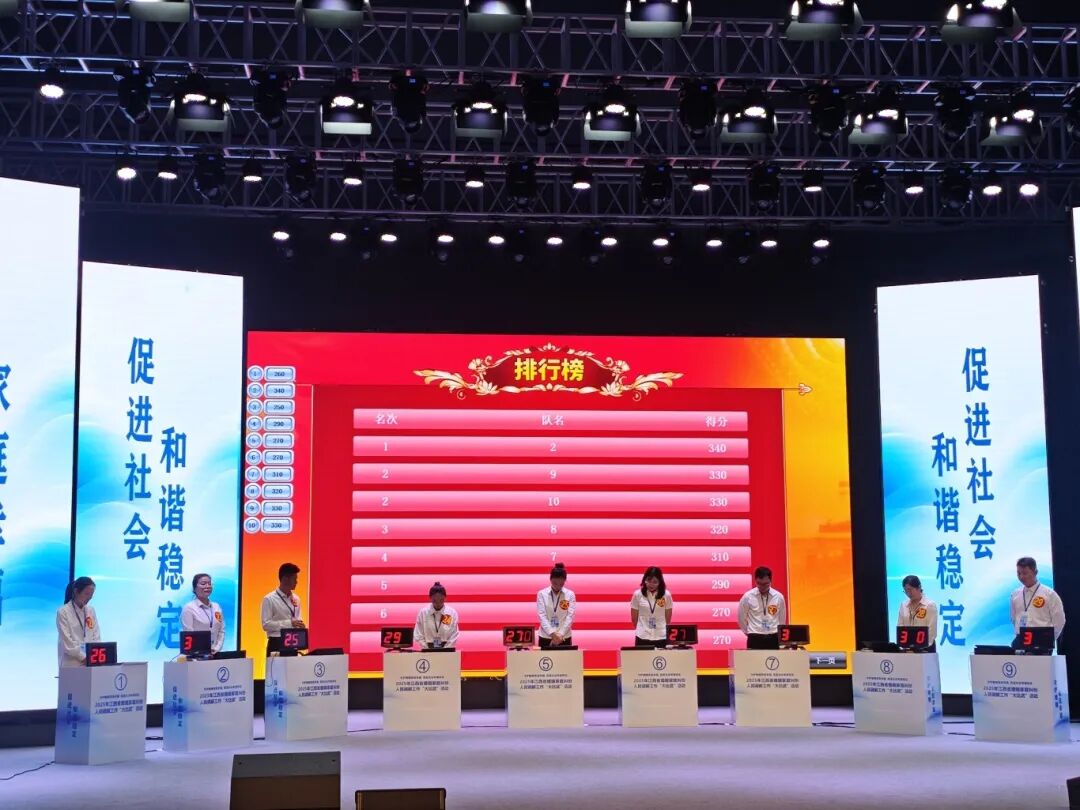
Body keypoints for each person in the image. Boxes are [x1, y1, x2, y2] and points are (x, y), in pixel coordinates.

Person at [1011, 556, 1065, 648]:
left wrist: (1048, 640)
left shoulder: (1049, 594)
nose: (1021, 577)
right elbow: (1014, 618)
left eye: (1025, 573)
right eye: (1019, 573)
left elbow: (1059, 620)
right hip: (1020, 641)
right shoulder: (1015, 594)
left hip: (1041, 642)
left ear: (1035, 572)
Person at [738, 566, 787, 650]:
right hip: (754, 637)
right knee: (754, 659)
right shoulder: (747, 597)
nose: (762, 587)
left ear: (771, 581)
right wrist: (749, 632)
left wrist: (779, 636)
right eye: (759, 583)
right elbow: (741, 618)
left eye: (765, 584)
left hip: (773, 637)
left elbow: (782, 619)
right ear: (755, 580)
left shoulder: (778, 597)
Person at [57, 576, 101, 668]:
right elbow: (67, 642)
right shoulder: (63, 612)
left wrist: (94, 656)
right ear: (76, 591)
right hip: (72, 663)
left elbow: (96, 635)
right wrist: (84, 658)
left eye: (91, 595)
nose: (89, 598)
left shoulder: (91, 610)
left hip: (91, 662)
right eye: (86, 594)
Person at [261, 562, 305, 654]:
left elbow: (298, 619)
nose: (296, 582)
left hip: (293, 643)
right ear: (285, 579)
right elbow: (266, 625)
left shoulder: (296, 599)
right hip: (276, 643)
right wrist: (289, 623)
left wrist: (300, 626)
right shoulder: (269, 599)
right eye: (294, 579)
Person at [181, 573, 225, 655]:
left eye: (209, 583)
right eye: (203, 583)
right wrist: (201, 651)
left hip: (215, 654)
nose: (207, 586)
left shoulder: (216, 607)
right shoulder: (189, 608)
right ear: (194, 588)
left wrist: (217, 649)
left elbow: (221, 630)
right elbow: (189, 634)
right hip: (196, 655)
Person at [630, 566, 673, 648]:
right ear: (644, 580)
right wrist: (642, 629)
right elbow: (634, 618)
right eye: (649, 581)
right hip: (642, 636)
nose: (651, 584)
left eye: (655, 582)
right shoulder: (637, 595)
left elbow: (668, 619)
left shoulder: (666, 595)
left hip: (661, 636)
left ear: (660, 582)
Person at [537, 562, 576, 648]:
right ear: (550, 579)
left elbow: (570, 616)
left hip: (564, 637)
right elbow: (542, 616)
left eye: (561, 584)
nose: (558, 586)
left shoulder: (570, 594)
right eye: (555, 583)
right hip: (546, 636)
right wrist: (553, 634)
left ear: (564, 581)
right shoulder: (542, 594)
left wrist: (560, 634)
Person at [896, 574, 937, 651]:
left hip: (926, 647)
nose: (908, 593)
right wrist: (904, 646)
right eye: (906, 591)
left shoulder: (929, 605)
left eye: (910, 590)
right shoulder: (904, 605)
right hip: (907, 646)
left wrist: (920, 647)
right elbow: (900, 627)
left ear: (919, 587)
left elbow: (932, 630)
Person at [414, 582, 459, 650]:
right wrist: (426, 648)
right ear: (430, 598)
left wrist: (446, 649)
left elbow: (454, 633)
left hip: (447, 649)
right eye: (435, 600)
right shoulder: (423, 613)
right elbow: (418, 633)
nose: (438, 603)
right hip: (427, 648)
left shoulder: (450, 613)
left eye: (441, 600)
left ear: (445, 598)